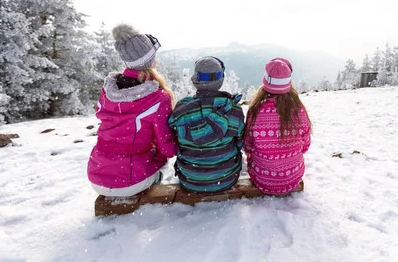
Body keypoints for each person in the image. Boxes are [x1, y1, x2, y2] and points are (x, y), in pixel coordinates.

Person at [87, 24, 178, 197]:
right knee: (161, 165)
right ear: (151, 61)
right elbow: (167, 148)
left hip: (97, 177)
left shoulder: (109, 91)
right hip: (130, 181)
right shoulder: (158, 98)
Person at [168, 56, 245, 193]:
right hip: (226, 178)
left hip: (190, 180)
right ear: (221, 81)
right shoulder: (234, 110)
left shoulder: (182, 108)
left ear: (195, 81)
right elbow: (239, 143)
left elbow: (175, 137)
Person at [244, 58, 312, 194]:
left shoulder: (256, 111)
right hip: (293, 176)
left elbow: (248, 146)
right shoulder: (299, 110)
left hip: (262, 177)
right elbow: (305, 146)